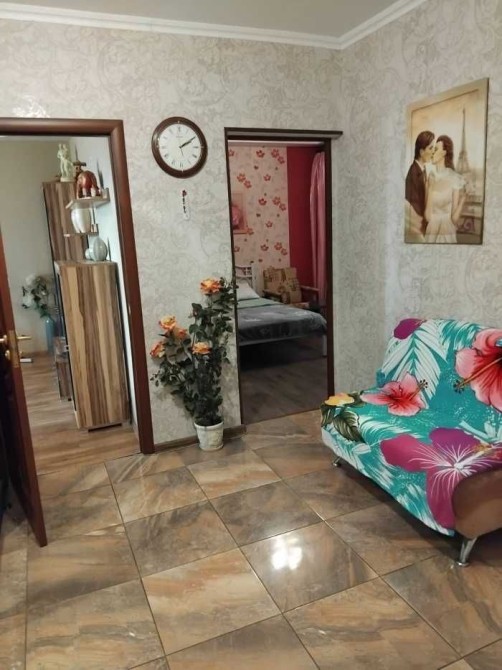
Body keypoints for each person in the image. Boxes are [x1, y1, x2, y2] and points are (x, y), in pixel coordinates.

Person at [424, 135, 466, 244]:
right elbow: (428, 217)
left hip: (447, 232)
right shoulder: (430, 176)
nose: (432, 152)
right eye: (433, 149)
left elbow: (454, 219)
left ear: (444, 153)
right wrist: (431, 187)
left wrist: (463, 199)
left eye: (436, 149)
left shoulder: (455, 178)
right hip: (431, 232)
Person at [405, 130, 435, 242]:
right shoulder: (413, 173)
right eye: (430, 148)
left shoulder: (423, 170)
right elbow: (414, 210)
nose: (433, 152)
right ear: (422, 152)